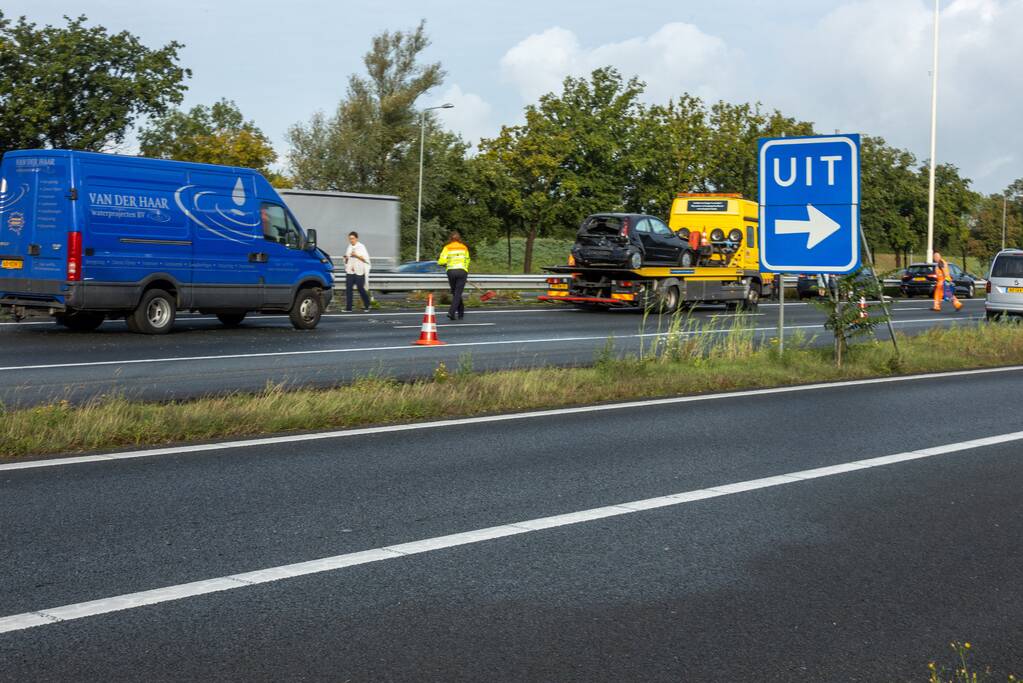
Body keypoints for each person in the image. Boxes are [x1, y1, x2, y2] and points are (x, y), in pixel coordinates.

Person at [438, 231, 470, 320]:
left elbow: (441, 261)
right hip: (462, 271)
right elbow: (467, 260)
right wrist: (464, 270)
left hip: (451, 272)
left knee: (455, 293)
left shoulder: (447, 247)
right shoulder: (464, 248)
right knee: (457, 293)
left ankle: (455, 313)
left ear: (450, 238)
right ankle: (457, 312)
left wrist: (443, 263)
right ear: (459, 238)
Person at [343, 231, 371, 312]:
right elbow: (348, 258)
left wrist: (356, 255)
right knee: (348, 289)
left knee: (360, 288)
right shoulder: (349, 247)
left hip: (359, 271)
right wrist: (346, 258)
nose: (351, 240)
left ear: (356, 238)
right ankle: (348, 308)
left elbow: (365, 259)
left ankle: (367, 305)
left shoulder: (361, 247)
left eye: (352, 238)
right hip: (350, 271)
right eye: (350, 239)